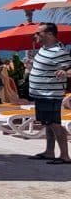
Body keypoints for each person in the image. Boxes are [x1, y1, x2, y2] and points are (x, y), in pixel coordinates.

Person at [27, 22, 71, 164]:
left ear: (50, 34)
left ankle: (65, 155)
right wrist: (32, 65)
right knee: (48, 123)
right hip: (41, 93)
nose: (35, 36)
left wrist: (65, 72)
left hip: (50, 94)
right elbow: (46, 67)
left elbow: (69, 69)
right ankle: (49, 151)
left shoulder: (59, 51)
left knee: (54, 124)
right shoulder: (44, 49)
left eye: (38, 33)